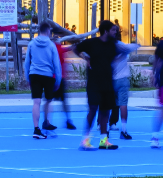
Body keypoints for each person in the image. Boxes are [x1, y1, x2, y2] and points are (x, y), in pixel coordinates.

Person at [73, 22, 121, 150]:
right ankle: (85, 140)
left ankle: (104, 141)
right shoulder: (91, 43)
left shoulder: (113, 45)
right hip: (94, 82)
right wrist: (85, 58)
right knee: (93, 109)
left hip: (108, 82)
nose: (115, 32)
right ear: (105, 31)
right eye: (113, 30)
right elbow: (76, 48)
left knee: (105, 111)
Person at [24, 20, 65, 139]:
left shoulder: (31, 44)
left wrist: (27, 77)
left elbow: (27, 62)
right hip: (47, 75)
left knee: (36, 102)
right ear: (48, 31)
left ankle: (36, 128)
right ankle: (46, 121)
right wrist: (58, 79)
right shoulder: (51, 45)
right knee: (49, 100)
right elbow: (56, 64)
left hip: (34, 74)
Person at [109, 23, 140, 140]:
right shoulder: (121, 46)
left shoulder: (106, 46)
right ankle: (124, 130)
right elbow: (132, 47)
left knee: (107, 104)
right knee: (123, 104)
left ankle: (104, 128)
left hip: (110, 79)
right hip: (122, 79)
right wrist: (137, 44)